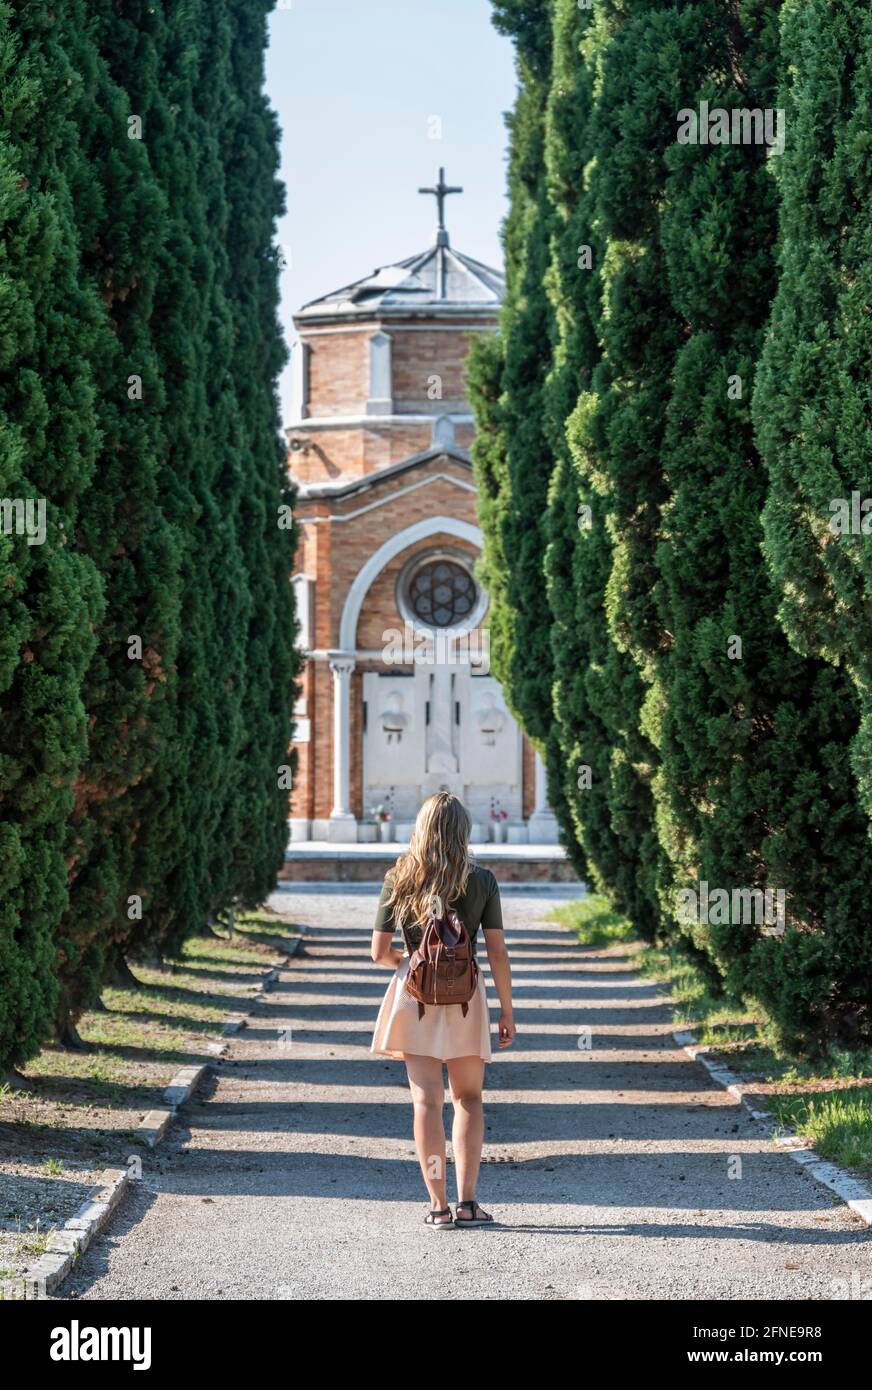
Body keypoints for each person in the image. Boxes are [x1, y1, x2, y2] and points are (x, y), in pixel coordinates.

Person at [370, 791, 515, 1229]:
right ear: (463, 831)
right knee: (469, 1099)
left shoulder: (400, 876)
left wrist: (415, 964)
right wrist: (507, 1010)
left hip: (414, 999)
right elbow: (496, 951)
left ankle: (438, 1206)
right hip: (467, 998)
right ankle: (469, 1203)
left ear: (421, 829)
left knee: (425, 1102)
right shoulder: (482, 880)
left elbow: (378, 952)